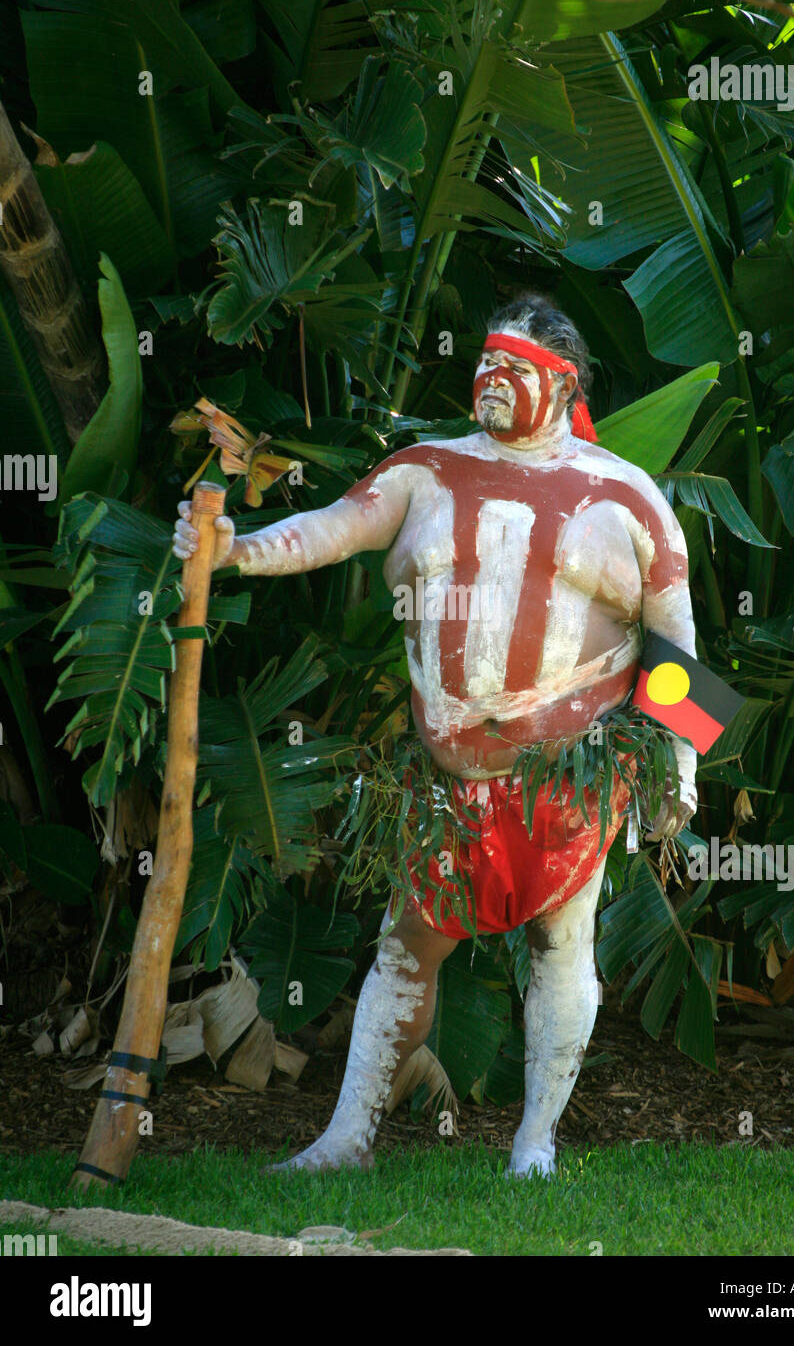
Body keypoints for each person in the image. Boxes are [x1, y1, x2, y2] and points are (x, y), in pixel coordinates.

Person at [173, 291, 698, 1178]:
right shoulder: (421, 472)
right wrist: (235, 549)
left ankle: (535, 1143)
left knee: (559, 944)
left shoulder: (627, 498)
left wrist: (677, 762)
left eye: (515, 370)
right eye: (486, 364)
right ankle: (348, 1139)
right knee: (406, 945)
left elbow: (679, 646)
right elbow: (330, 531)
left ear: (562, 384)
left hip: (568, 776)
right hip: (447, 779)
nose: (490, 381)